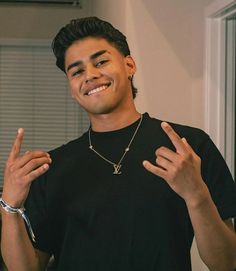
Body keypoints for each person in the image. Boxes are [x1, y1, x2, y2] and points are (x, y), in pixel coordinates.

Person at [1, 16, 236, 271]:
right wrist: (9, 205)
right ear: (71, 87)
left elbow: (227, 263)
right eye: (77, 71)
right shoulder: (53, 166)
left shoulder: (187, 148)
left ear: (129, 65)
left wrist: (196, 195)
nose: (90, 75)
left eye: (101, 61)